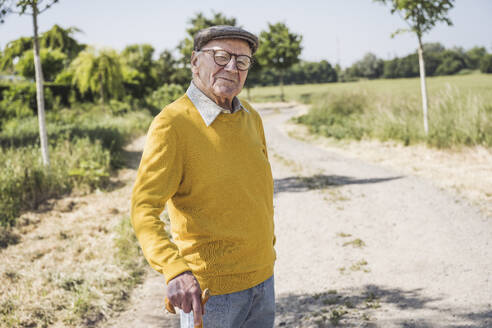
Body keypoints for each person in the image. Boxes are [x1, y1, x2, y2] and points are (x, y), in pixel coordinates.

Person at [130, 25, 276, 328]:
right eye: (221, 57)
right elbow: (144, 209)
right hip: (211, 293)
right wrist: (175, 270)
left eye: (243, 61)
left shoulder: (252, 117)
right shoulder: (172, 123)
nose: (232, 67)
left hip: (263, 280)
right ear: (195, 62)